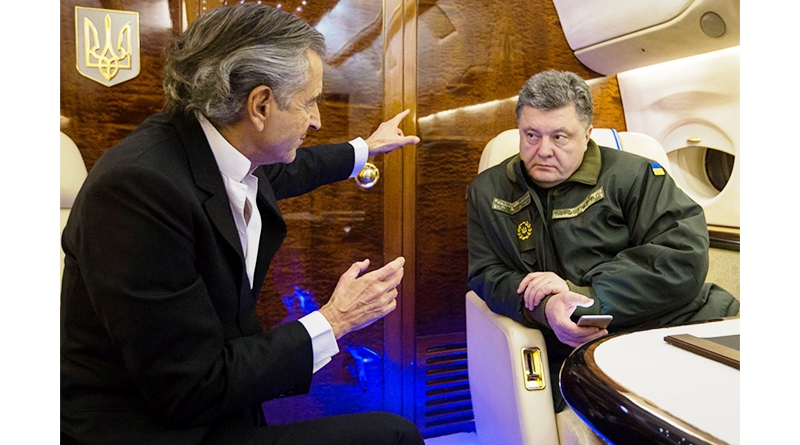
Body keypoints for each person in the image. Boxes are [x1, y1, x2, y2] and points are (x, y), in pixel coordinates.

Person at [60, 4, 424, 445]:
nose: (317, 120)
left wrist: (365, 148)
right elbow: (187, 387)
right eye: (309, 101)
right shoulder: (137, 191)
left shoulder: (211, 145)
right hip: (155, 428)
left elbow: (292, 169)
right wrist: (336, 319)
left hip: (214, 406)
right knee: (395, 436)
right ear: (261, 105)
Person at [466, 70, 739, 413]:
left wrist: (583, 297)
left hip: (681, 320)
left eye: (560, 137)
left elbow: (682, 259)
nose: (543, 151)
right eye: (531, 135)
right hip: (582, 347)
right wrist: (546, 307)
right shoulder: (487, 192)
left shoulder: (637, 176)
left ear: (587, 135)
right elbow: (486, 274)